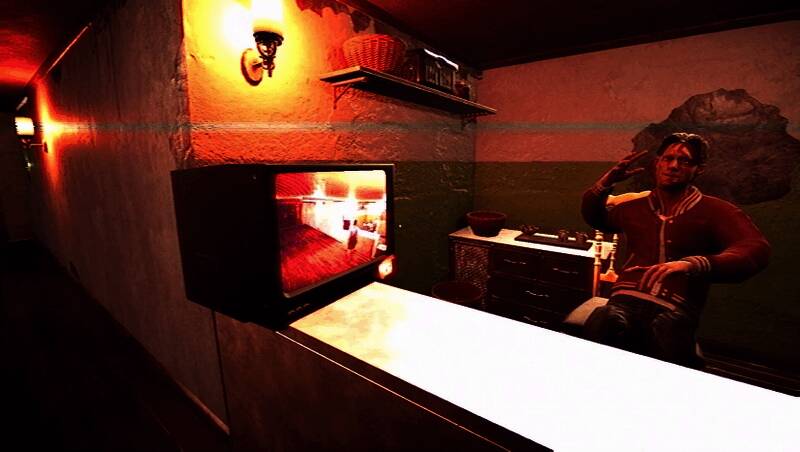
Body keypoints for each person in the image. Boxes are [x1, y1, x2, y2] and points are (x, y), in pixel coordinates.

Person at [581, 132, 770, 368]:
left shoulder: (717, 211)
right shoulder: (634, 207)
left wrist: (694, 264)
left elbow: (755, 248)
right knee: (604, 320)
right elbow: (596, 217)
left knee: (667, 332)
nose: (673, 166)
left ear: (698, 169)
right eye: (668, 158)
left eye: (685, 161)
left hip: (676, 308)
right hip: (625, 300)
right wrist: (606, 183)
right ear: (657, 162)